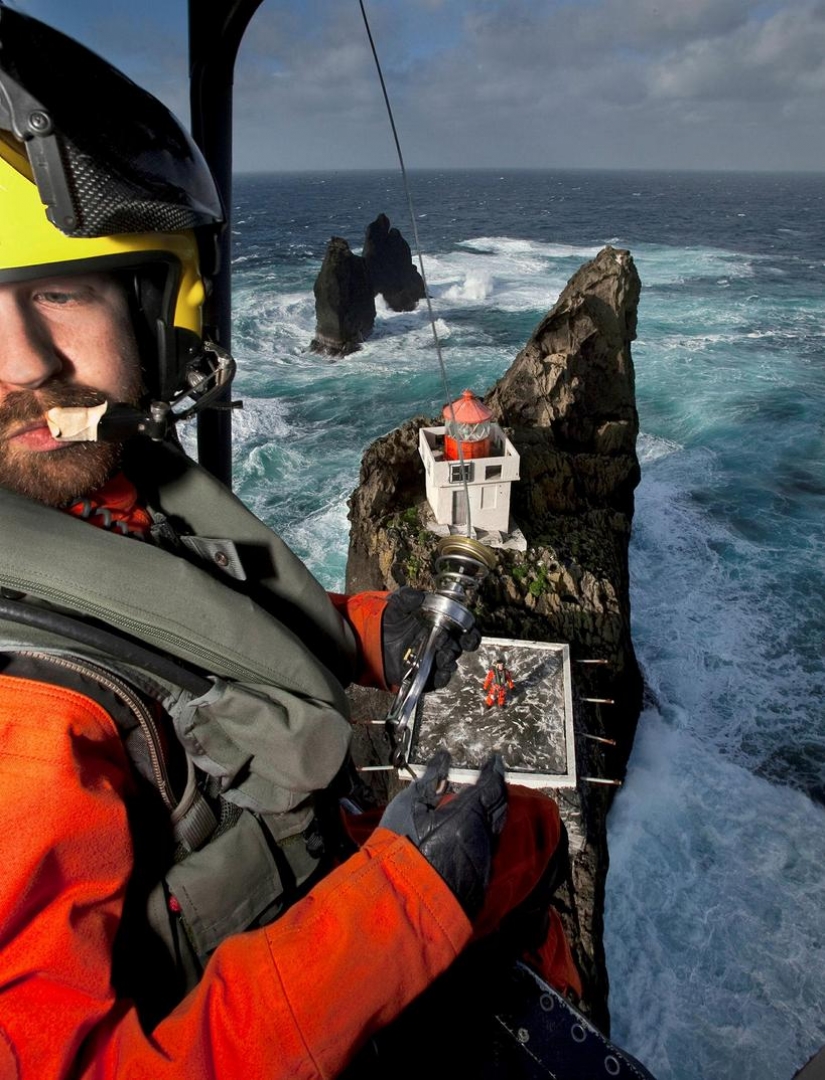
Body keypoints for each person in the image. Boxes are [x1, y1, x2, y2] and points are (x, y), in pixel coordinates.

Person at [0, 8, 581, 1079]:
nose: (24, 364)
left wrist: (374, 629)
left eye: (60, 291)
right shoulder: (20, 731)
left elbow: (206, 627)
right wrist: (405, 899)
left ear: (154, 310)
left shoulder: (114, 493)